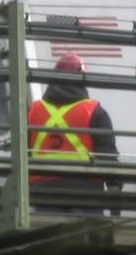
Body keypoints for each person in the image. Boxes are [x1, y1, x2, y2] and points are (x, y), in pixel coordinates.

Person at [29, 53, 120, 214]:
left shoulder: (33, 110)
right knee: (84, 237)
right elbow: (107, 154)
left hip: (42, 191)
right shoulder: (95, 112)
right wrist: (114, 186)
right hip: (86, 191)